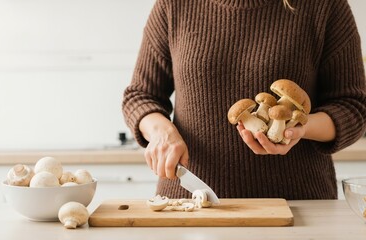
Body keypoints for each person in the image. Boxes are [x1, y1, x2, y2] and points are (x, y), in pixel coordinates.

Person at [122, 0, 366, 200]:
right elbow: (140, 96)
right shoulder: (173, 5)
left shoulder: (324, 5)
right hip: (191, 203)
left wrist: (301, 128)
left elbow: (354, 107)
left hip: (299, 208)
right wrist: (161, 131)